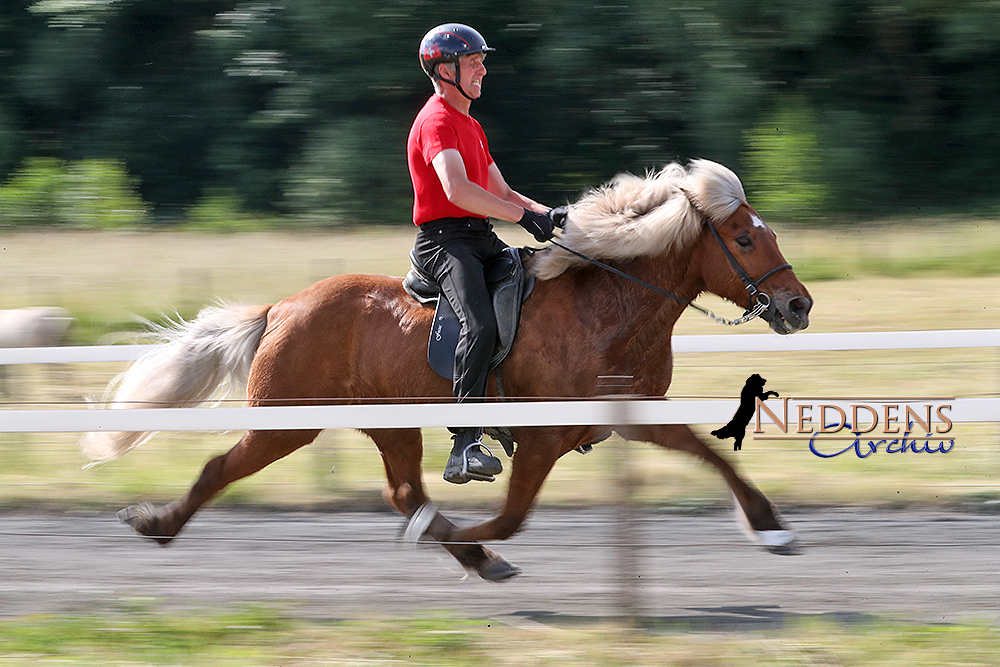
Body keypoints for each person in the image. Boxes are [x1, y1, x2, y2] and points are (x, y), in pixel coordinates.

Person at [408, 23, 565, 484]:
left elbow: (501, 190)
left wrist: (548, 213)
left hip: (479, 237)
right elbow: (457, 191)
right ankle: (463, 445)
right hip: (444, 244)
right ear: (444, 70)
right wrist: (520, 218)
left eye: (482, 59)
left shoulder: (471, 125)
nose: (483, 67)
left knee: (537, 292)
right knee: (477, 324)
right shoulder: (436, 120)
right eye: (473, 60)